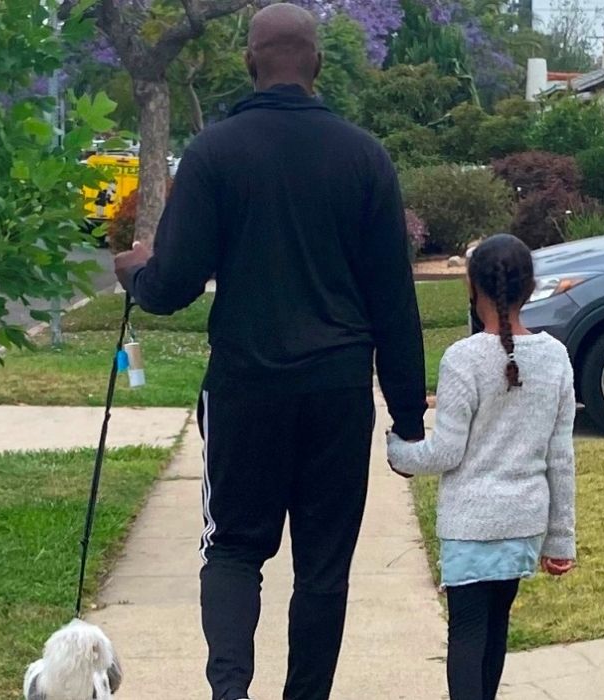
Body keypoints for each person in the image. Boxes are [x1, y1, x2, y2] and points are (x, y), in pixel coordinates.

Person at [110, 4, 426, 700]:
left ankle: (231, 692)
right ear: (315, 64)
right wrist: (407, 420)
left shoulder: (216, 153)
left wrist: (135, 270)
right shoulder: (364, 157)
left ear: (251, 62)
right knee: (322, 569)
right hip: (339, 393)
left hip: (246, 387)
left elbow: (173, 285)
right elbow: (394, 303)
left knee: (231, 549)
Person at [386, 234, 578, 700]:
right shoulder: (555, 357)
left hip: (471, 525)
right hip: (524, 522)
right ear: (530, 289)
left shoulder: (463, 359)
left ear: (473, 289)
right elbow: (560, 457)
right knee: (496, 629)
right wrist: (560, 539)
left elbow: (445, 453)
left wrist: (398, 452)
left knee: (467, 634)